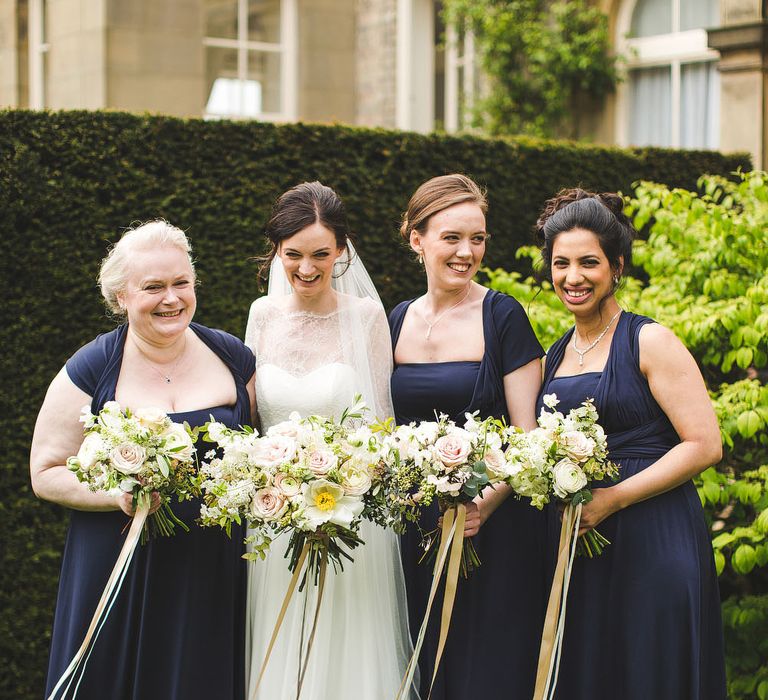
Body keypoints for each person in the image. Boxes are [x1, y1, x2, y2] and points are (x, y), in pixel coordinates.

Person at [30, 221, 256, 700]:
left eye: (181, 283)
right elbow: (45, 472)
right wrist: (116, 494)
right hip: (117, 563)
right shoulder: (92, 367)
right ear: (121, 297)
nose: (171, 299)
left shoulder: (234, 357)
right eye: (153, 287)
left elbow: (255, 456)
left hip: (209, 569)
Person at [534, 188, 726, 699]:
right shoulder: (553, 355)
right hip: (587, 545)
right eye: (561, 264)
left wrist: (614, 497)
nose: (573, 277)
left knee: (650, 671)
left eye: (589, 263)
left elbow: (705, 444)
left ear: (616, 266)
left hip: (654, 535)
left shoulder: (650, 341)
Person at [243, 181, 416, 700]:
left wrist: (345, 480)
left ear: (342, 250)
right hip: (275, 518)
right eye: (293, 254)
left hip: (348, 517)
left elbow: (381, 423)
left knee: (348, 653)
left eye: (321, 253)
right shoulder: (261, 315)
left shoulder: (364, 318)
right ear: (277, 251)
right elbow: (249, 421)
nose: (307, 268)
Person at [389, 173, 550, 699]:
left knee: (487, 669)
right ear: (417, 239)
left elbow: (530, 437)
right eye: (451, 238)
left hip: (491, 528)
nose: (466, 252)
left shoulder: (503, 316)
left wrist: (483, 503)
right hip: (415, 529)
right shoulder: (396, 321)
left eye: (477, 238)